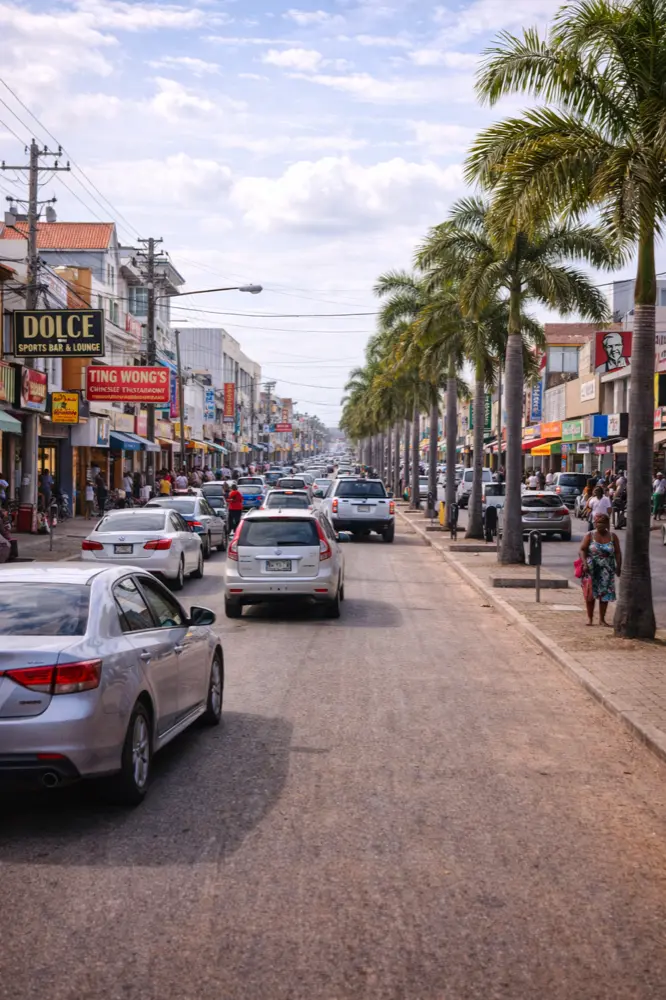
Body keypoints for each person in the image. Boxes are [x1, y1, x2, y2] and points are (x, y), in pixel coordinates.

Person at [579, 512, 622, 626]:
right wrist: (584, 564)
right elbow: (582, 550)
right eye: (598, 523)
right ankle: (590, 618)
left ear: (607, 524)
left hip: (607, 569)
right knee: (590, 593)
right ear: (595, 523)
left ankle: (602, 619)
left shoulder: (613, 536)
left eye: (603, 523)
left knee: (605, 593)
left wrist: (619, 566)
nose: (601, 525)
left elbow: (617, 553)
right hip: (591, 567)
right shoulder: (590, 535)